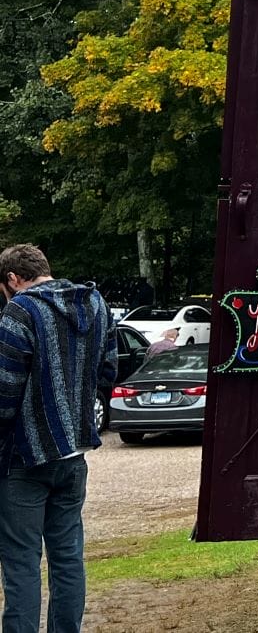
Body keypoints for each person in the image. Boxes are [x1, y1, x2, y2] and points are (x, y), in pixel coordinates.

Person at [0, 244, 115, 633]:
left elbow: (5, 388)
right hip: (74, 452)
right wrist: (80, 416)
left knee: (21, 562)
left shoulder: (21, 309)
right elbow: (108, 369)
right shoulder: (95, 304)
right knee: (68, 558)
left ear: (13, 279)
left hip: (24, 458)